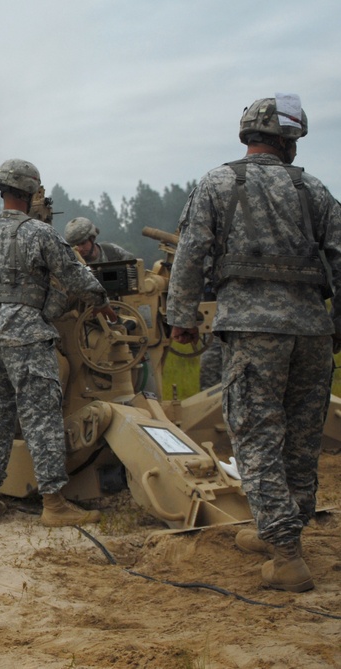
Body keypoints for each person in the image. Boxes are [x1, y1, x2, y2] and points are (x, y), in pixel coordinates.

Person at [167, 94, 341, 592]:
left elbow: (192, 253)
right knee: (302, 439)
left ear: (248, 134)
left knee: (257, 437)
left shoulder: (217, 183)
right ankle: (283, 534)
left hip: (251, 330)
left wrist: (180, 318)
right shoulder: (314, 190)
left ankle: (286, 556)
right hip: (312, 330)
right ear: (287, 140)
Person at [0, 159, 116, 526]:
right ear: (31, 192)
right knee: (41, 418)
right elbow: (72, 273)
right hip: (27, 335)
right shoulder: (40, 233)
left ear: (3, 191)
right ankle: (54, 505)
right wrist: (101, 300)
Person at [63, 217, 135, 264]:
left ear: (92, 238)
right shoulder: (74, 263)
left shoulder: (110, 251)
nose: (80, 249)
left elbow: (130, 259)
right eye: (76, 246)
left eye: (83, 243)